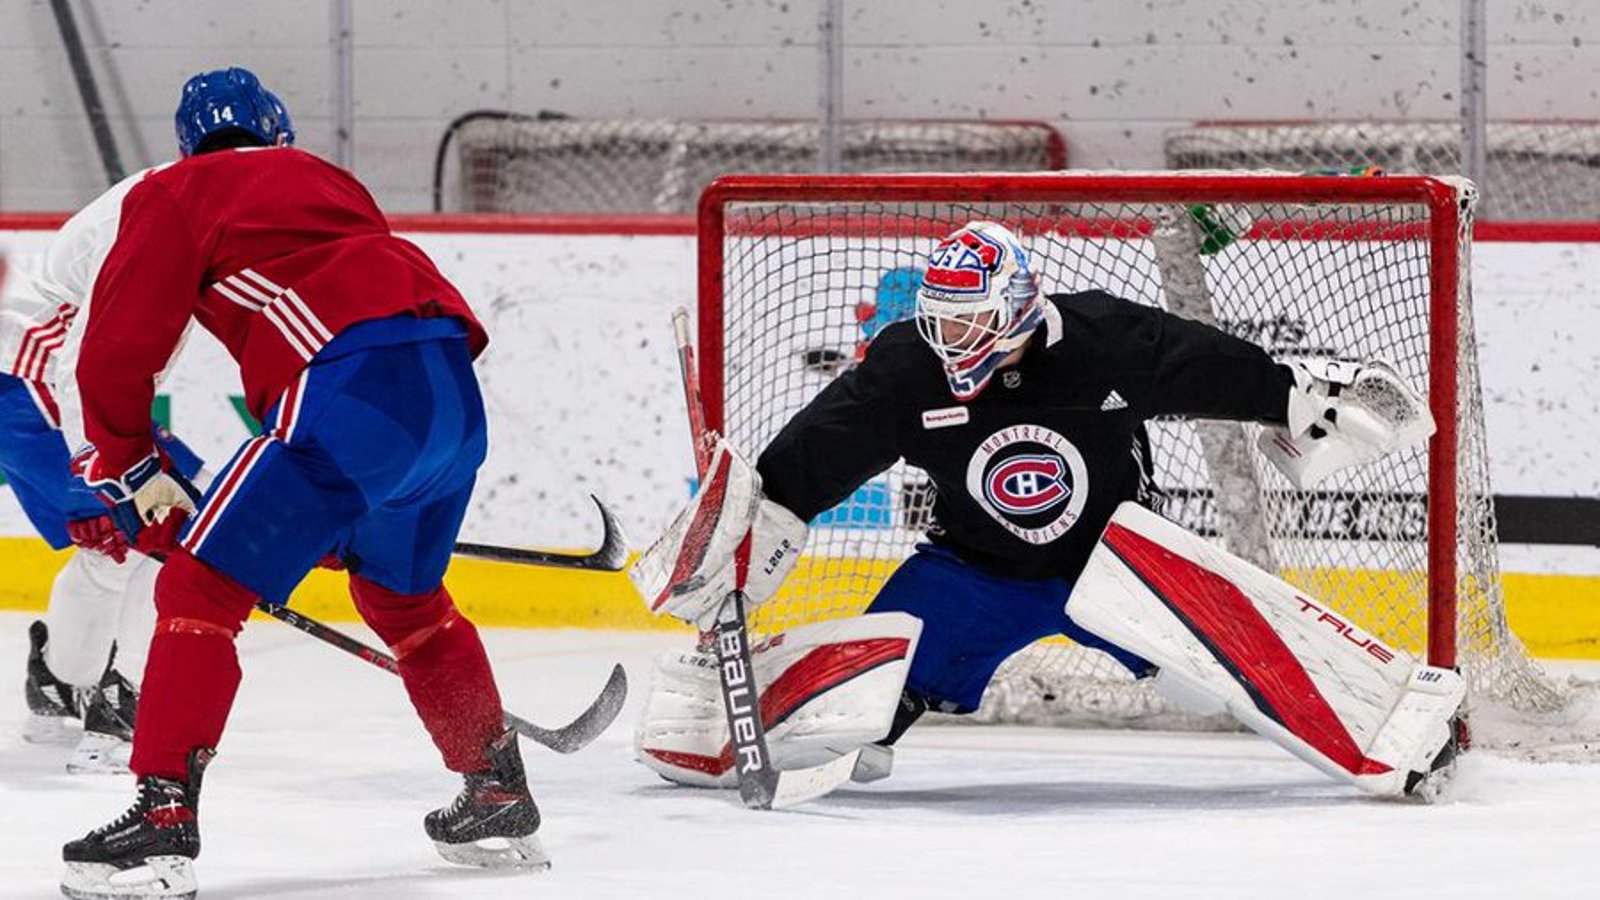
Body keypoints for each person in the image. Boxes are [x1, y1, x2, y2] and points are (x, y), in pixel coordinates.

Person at [630, 219, 1460, 799]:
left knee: (1232, 686)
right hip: (969, 575)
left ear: (1021, 306)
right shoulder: (907, 369)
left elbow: (1215, 370)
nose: (954, 343)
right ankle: (705, 714)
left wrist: (1295, 397)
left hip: (1124, 566)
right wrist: (742, 532)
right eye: (942, 324)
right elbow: (809, 463)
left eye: (973, 323)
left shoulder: (1106, 338)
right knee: (853, 722)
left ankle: (1399, 723)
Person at [57, 67, 544, 900]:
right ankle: (496, 789)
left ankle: (161, 817)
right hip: (449, 393)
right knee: (406, 601)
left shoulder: (175, 191)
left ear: (183, 145)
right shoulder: (326, 176)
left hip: (352, 390)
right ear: (278, 131)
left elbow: (116, 347)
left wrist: (133, 467)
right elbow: (372, 302)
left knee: (198, 589)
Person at [2, 199, 206, 776]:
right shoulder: (191, 206)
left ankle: (62, 683)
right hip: (37, 381)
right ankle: (125, 710)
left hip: (23, 384)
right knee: (188, 525)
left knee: (118, 543)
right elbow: (78, 362)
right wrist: (103, 462)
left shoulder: (178, 193)